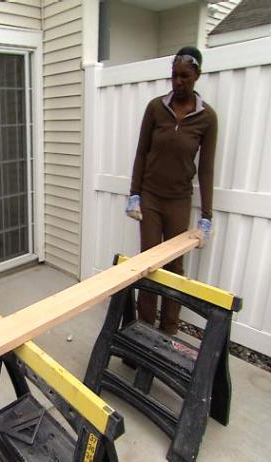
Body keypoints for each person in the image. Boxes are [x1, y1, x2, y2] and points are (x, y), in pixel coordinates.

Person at [126, 46, 217, 335]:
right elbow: (141, 152)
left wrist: (206, 216)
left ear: (197, 76)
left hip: (179, 200)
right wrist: (134, 194)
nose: (178, 82)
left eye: (185, 76)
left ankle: (167, 332)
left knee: (174, 267)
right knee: (149, 263)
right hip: (150, 198)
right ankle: (143, 330)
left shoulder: (207, 118)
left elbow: (206, 168)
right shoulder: (155, 108)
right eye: (174, 75)